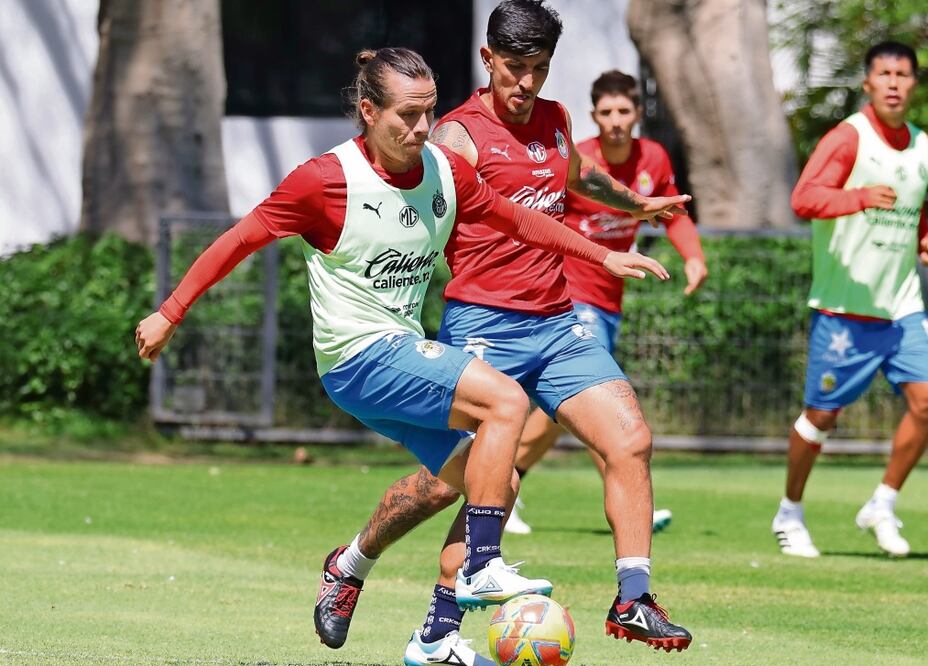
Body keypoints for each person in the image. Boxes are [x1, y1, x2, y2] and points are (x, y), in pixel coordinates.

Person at [133, 47, 669, 666]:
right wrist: (170, 310)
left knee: (492, 478)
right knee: (506, 401)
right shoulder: (324, 180)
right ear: (368, 111)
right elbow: (240, 238)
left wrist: (602, 256)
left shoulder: (443, 170)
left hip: (403, 352)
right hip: (357, 357)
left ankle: (392, 600)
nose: (421, 129)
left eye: (429, 113)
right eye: (407, 116)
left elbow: (517, 220)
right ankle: (483, 567)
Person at [327, 0, 695, 653]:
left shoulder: (556, 121)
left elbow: (581, 180)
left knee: (630, 440)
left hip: (557, 324)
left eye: (540, 69)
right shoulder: (459, 136)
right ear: (487, 59)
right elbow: (403, 188)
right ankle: (353, 563)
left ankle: (632, 600)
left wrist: (638, 203)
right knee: (458, 481)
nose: (526, 84)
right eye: (515, 67)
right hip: (482, 325)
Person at [504, 69, 708, 537]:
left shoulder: (652, 158)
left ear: (637, 114)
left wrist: (694, 258)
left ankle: (513, 485)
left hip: (610, 300)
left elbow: (670, 214)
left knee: (576, 405)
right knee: (580, 397)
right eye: (607, 112)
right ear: (595, 116)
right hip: (570, 294)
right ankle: (501, 486)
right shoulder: (581, 160)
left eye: (624, 111)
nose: (616, 120)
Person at [771, 41, 928, 559]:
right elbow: (804, 198)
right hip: (845, 309)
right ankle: (790, 511)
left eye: (903, 74)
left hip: (902, 306)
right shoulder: (850, 136)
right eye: (884, 74)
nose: (894, 82)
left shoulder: (924, 145)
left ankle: (883, 503)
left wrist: (926, 238)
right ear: (868, 83)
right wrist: (857, 198)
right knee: (821, 417)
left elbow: (911, 210)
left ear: (914, 84)